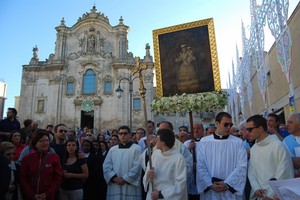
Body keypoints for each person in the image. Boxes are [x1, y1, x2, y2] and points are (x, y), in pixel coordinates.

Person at [196, 112, 247, 199]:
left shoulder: (238, 142)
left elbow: (242, 166)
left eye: (230, 125)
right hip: (211, 190)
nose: (229, 127)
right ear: (217, 124)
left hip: (230, 190)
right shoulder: (204, 142)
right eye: (226, 124)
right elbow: (201, 166)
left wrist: (227, 183)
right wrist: (209, 184)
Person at [246, 115, 294, 199]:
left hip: (275, 196)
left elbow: (284, 172)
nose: (247, 132)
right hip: (260, 194)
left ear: (260, 129)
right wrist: (256, 188)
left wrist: (271, 194)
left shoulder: (278, 146)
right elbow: (251, 171)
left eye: (250, 129)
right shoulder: (253, 149)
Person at [143, 129, 187, 200]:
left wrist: (161, 194)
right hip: (153, 195)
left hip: (168, 197)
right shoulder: (155, 154)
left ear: (162, 143)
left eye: (157, 139)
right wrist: (148, 175)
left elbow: (181, 185)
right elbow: (147, 175)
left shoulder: (178, 158)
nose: (155, 141)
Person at [19, 129, 62, 200]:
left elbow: (57, 178)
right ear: (35, 142)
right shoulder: (27, 158)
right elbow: (23, 178)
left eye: (47, 140)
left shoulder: (54, 157)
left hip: (48, 197)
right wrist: (32, 195)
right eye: (41, 141)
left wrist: (47, 194)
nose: (45, 143)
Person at [103, 125, 142, 200]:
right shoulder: (112, 149)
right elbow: (106, 166)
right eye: (120, 134)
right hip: (115, 185)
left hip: (130, 186)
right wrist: (113, 178)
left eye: (125, 133)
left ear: (130, 135)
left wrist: (126, 179)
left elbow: (138, 166)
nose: (123, 135)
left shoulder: (137, 148)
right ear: (118, 135)